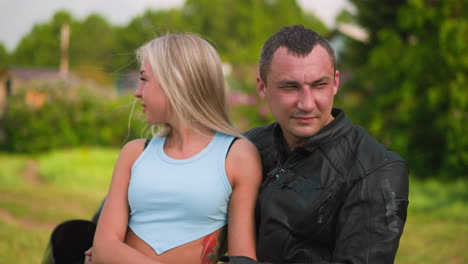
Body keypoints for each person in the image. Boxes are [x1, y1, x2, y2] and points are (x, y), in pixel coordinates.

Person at [221, 25, 409, 264]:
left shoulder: (375, 169)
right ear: (262, 87)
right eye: (290, 87)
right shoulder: (246, 147)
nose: (307, 104)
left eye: (319, 85)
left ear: (335, 83)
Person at [88, 33, 262, 264]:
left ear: (176, 82)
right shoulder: (135, 153)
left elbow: (243, 258)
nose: (137, 92)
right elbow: (104, 247)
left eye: (144, 79)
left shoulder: (237, 156)